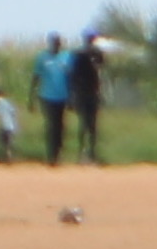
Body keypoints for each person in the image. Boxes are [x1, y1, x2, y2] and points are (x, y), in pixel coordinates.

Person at [33, 33, 76, 165]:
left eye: (58, 42)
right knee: (51, 125)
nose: (56, 44)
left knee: (60, 126)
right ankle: (51, 155)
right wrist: (32, 97)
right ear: (49, 43)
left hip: (63, 96)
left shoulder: (67, 57)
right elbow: (36, 77)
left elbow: (71, 78)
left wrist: (72, 97)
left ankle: (59, 151)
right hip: (47, 96)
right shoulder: (42, 57)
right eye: (54, 42)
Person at [65, 29, 106, 164]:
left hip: (91, 92)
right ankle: (83, 152)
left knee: (91, 124)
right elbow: (72, 74)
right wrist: (72, 93)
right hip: (83, 92)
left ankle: (91, 153)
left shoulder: (97, 54)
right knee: (85, 123)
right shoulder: (79, 54)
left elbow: (100, 73)